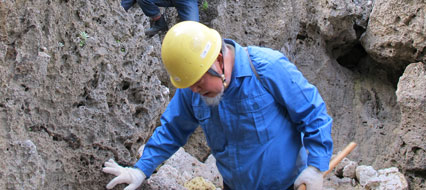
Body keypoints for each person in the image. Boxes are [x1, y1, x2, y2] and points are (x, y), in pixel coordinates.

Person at [102, 21, 334, 190]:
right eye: (189, 84)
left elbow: (314, 115)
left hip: (286, 186)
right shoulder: (192, 89)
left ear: (219, 61)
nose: (194, 90)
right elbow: (172, 130)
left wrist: (315, 168)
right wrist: (141, 169)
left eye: (199, 82)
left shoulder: (268, 69)